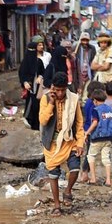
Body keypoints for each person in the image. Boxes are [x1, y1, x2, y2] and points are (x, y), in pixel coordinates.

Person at [38, 73, 85, 214]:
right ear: (53, 87)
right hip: (52, 143)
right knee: (53, 175)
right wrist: (52, 103)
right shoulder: (46, 99)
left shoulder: (73, 99)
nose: (60, 93)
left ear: (66, 88)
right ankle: (57, 205)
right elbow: (43, 121)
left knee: (75, 169)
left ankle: (68, 191)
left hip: (69, 140)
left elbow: (79, 122)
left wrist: (80, 142)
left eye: (62, 90)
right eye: (57, 90)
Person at [85, 87, 112, 187]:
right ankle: (108, 180)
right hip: (109, 137)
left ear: (95, 100)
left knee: (91, 156)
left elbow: (95, 122)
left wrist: (87, 133)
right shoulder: (110, 109)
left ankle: (93, 178)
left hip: (97, 137)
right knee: (106, 158)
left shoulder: (95, 110)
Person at [19, 37, 47, 127]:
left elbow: (43, 72)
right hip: (29, 88)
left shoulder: (39, 61)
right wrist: (25, 82)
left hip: (38, 88)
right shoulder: (25, 62)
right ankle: (29, 120)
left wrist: (40, 76)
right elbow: (22, 73)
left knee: (38, 105)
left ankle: (38, 124)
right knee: (30, 104)